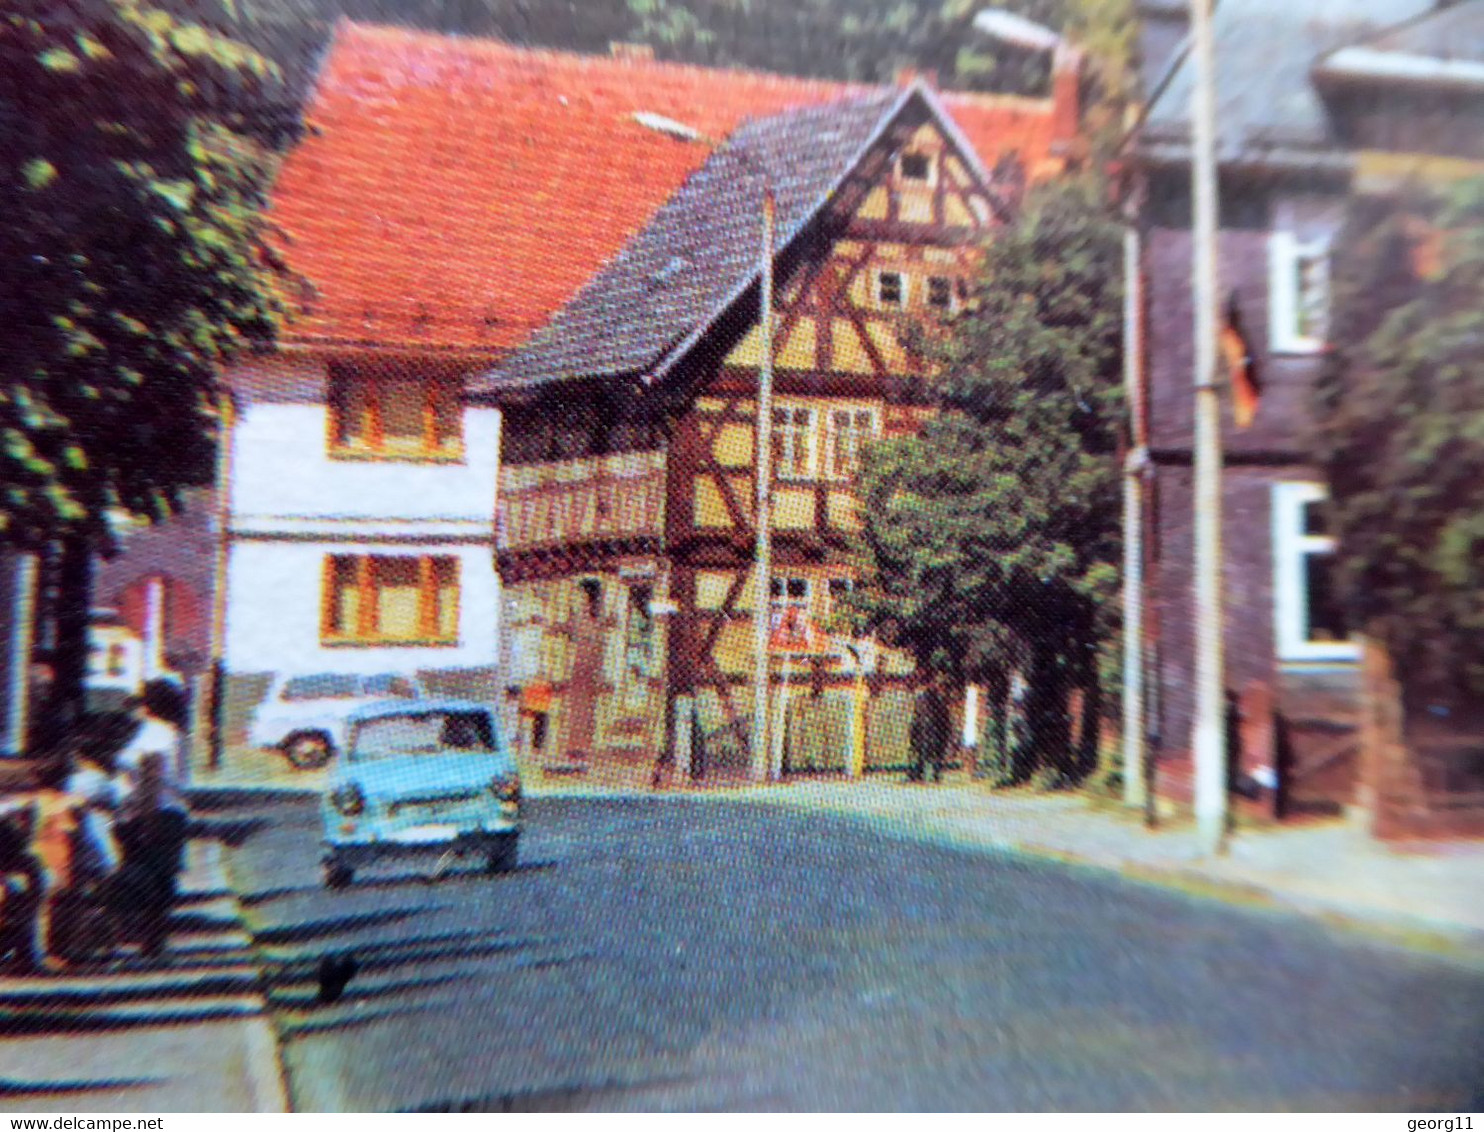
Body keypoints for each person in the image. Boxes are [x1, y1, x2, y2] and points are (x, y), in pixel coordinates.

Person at [908, 674, 953, 784]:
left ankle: (932, 774)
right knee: (923, 752)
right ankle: (921, 774)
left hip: (935, 729)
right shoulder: (924, 698)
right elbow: (917, 715)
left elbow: (945, 716)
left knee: (935, 752)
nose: (936, 686)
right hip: (926, 729)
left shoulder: (939, 698)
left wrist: (947, 730)